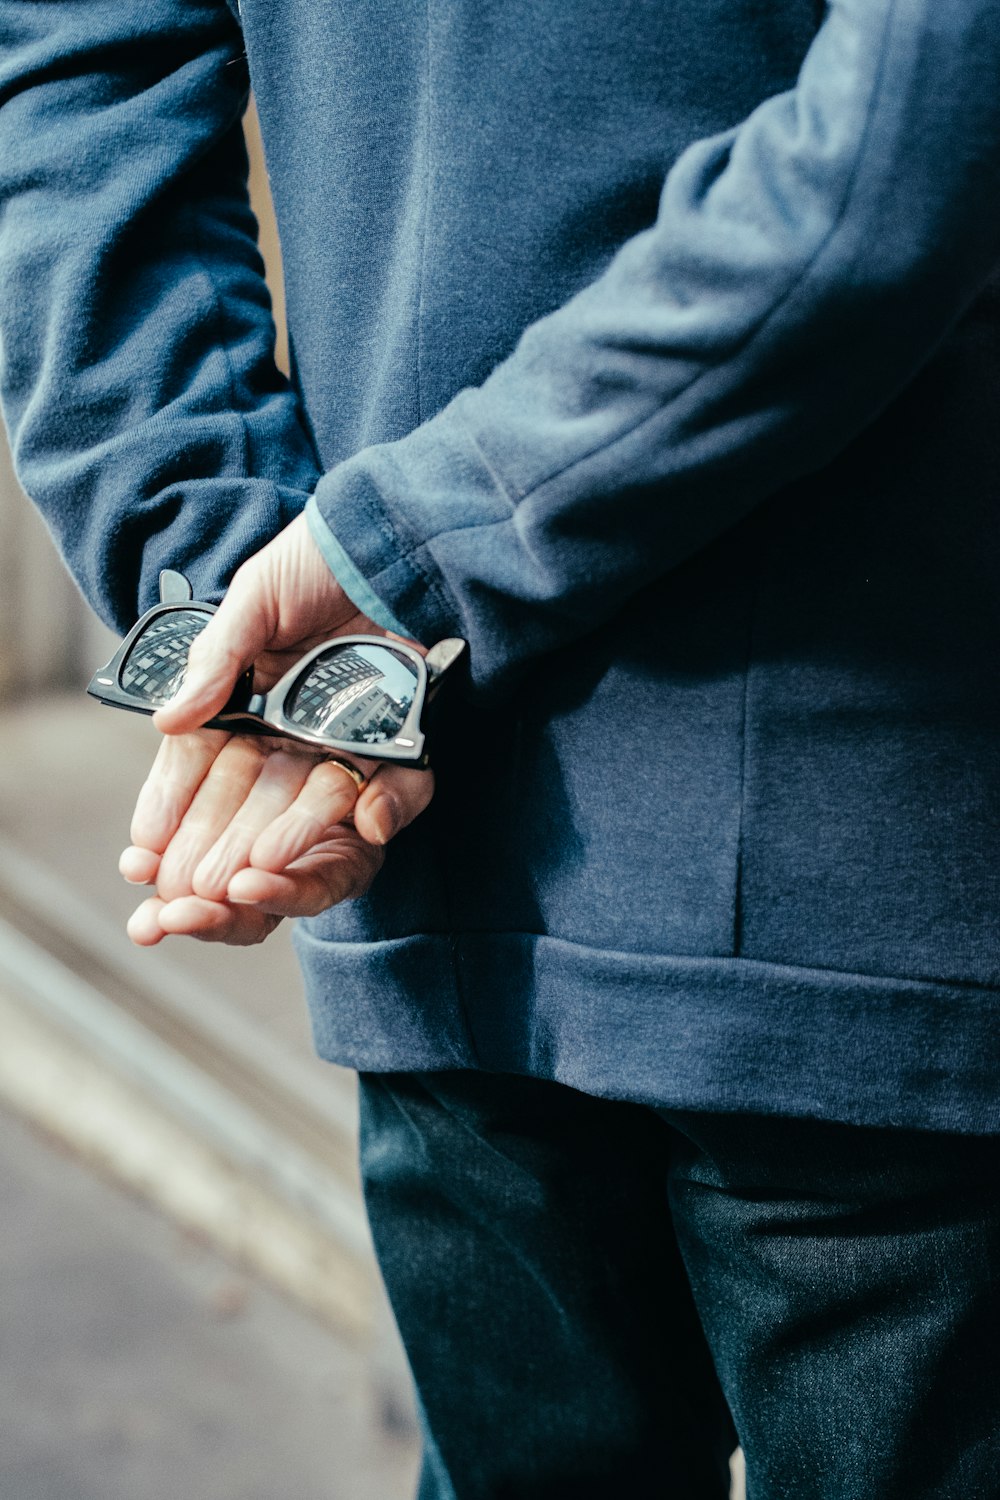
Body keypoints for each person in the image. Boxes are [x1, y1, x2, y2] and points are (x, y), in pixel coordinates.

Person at [2, 0, 1000, 1493]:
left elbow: (77, 76)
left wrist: (270, 601)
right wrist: (341, 593)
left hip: (453, 847)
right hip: (854, 861)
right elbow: (902, 152)